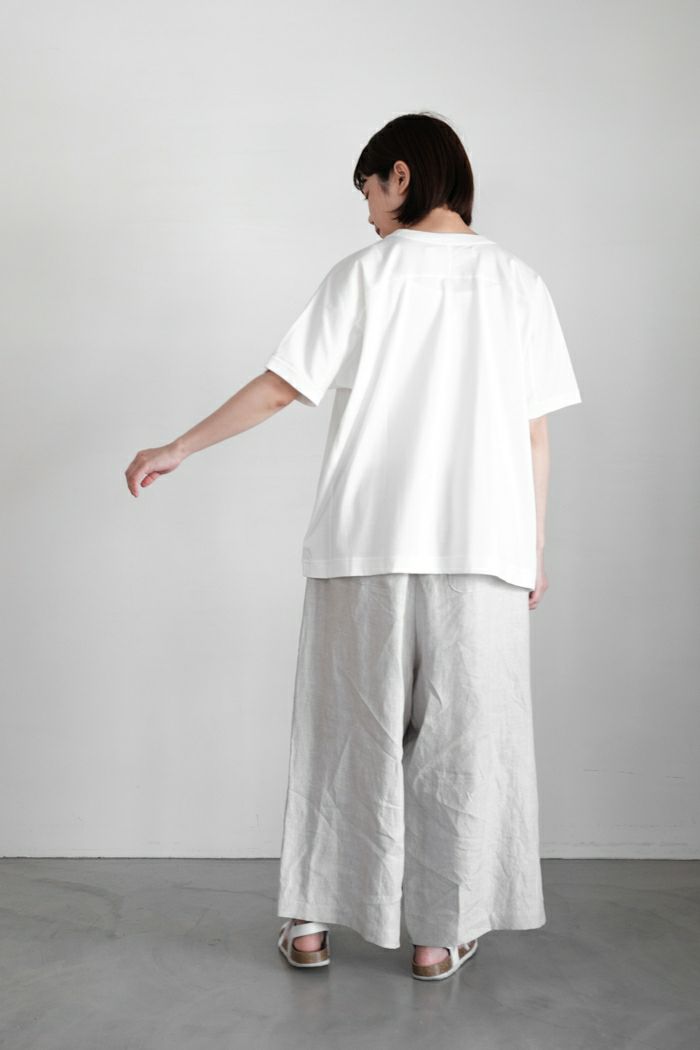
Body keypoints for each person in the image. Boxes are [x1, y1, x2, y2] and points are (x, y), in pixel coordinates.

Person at [124, 112, 582, 982]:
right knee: (465, 745)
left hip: (364, 540)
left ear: (400, 175)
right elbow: (534, 434)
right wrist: (533, 545)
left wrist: (179, 446)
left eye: (367, 189)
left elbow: (281, 388)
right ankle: (438, 937)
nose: (367, 212)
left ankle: (310, 926)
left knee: (346, 734)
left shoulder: (364, 275)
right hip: (483, 548)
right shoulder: (520, 283)